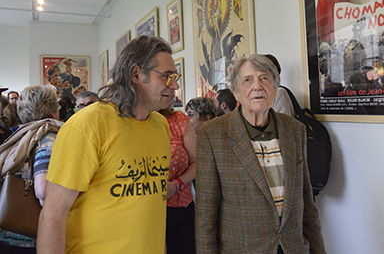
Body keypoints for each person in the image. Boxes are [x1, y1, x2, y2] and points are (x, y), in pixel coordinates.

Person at [37, 35, 180, 254]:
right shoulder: (88, 125)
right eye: (167, 77)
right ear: (136, 74)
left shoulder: (160, 125)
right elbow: (53, 213)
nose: (175, 85)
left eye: (175, 77)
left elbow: (152, 208)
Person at [195, 54, 326, 254]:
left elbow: (306, 201)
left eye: (265, 78)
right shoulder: (212, 134)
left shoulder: (295, 129)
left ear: (275, 90)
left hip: (293, 248)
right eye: (247, 80)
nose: (257, 86)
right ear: (236, 93)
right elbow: (206, 216)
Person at [0, 85, 62, 254]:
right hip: (28, 238)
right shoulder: (48, 136)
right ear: (52, 111)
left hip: (9, 231)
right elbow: (43, 190)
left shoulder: (22, 133)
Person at [159, 106, 196, 254]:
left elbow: (196, 162)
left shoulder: (178, 120)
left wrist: (177, 184)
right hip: (145, 210)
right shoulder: (130, 121)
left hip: (179, 207)